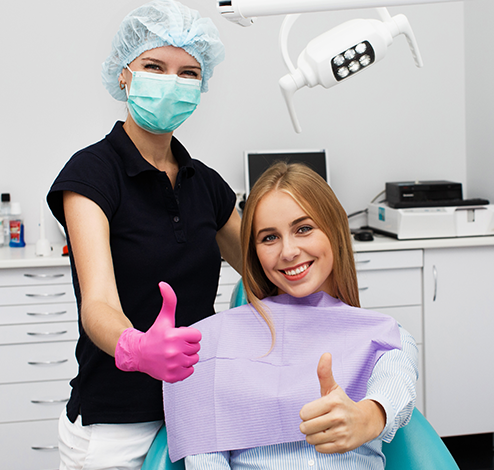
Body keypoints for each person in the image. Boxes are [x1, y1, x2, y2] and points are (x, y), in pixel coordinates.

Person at [46, 1, 242, 469]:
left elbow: (265, 268)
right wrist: (135, 347)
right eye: (155, 66)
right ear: (124, 75)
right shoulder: (92, 174)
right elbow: (98, 304)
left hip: (197, 410)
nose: (172, 82)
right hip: (118, 424)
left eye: (188, 73)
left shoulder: (206, 183)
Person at [163, 162, 419, 469]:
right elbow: (205, 457)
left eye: (304, 229)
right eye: (269, 237)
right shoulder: (210, 345)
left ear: (335, 229)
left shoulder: (385, 337)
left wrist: (367, 418)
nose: (288, 251)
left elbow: (395, 384)